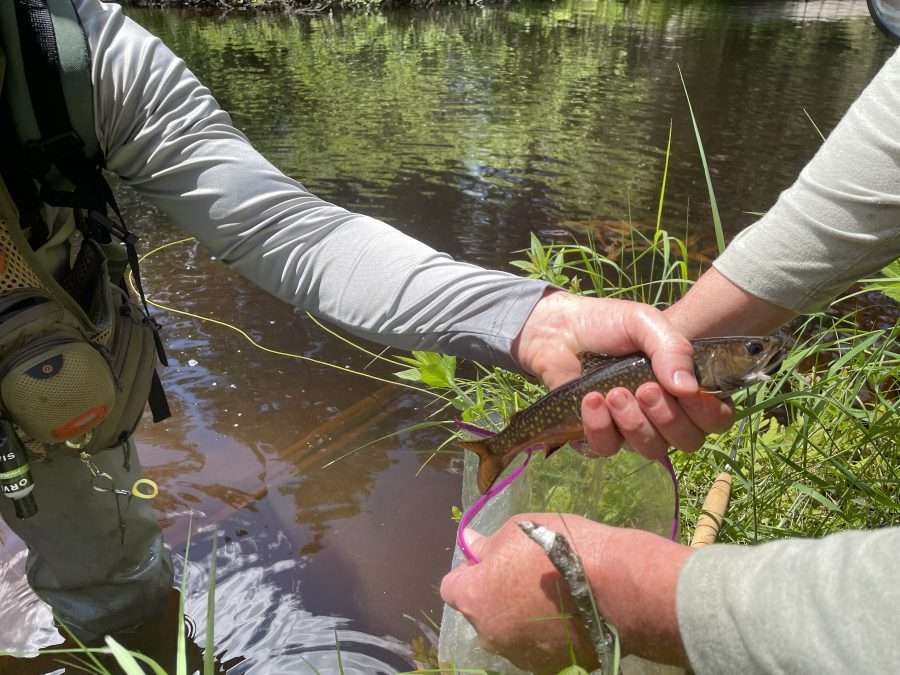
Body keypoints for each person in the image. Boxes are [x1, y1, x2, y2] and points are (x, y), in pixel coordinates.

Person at [0, 0, 730, 648]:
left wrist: (530, 316)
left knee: (117, 597)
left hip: (44, 393)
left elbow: (294, 233)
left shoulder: (71, 57)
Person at [440, 38, 900, 675]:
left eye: (758, 352)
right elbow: (849, 205)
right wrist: (657, 337)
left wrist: (620, 593)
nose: (767, 356)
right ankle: (500, 445)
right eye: (755, 351)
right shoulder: (703, 363)